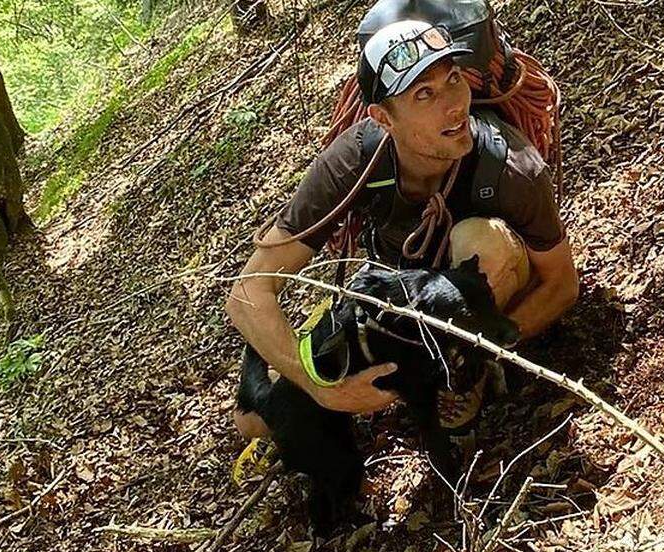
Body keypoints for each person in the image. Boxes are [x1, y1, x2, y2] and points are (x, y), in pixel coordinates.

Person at [226, 19, 578, 438]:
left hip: (485, 300)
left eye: (453, 80)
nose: (454, 105)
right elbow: (249, 291)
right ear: (382, 117)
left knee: (480, 243)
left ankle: (463, 374)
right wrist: (321, 388)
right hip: (405, 301)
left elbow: (562, 284)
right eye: (424, 94)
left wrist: (486, 348)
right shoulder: (355, 161)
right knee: (252, 421)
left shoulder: (510, 166)